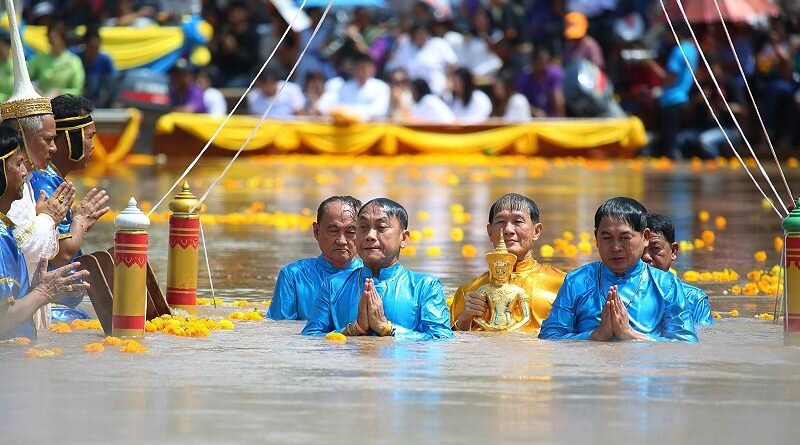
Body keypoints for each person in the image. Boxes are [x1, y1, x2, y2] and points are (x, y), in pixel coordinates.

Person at [2, 4, 76, 330]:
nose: (54, 148)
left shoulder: (30, 182)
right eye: (47, 140)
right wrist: (49, 219)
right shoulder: (11, 188)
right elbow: (22, 244)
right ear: (21, 136)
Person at [539, 197, 697, 342]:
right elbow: (550, 337)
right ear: (596, 238)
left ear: (646, 237)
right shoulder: (577, 281)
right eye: (607, 238)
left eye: (625, 238)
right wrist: (595, 335)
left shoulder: (666, 284)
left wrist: (631, 335)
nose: (615, 247)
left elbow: (685, 343)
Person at [302, 198, 452, 340]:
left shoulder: (425, 286)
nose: (370, 235)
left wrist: (387, 329)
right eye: (363, 227)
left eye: (381, 227)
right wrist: (354, 329)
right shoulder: (333, 285)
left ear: (404, 238)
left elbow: (440, 339)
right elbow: (311, 338)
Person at [0, 126, 89, 340]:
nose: (25, 172)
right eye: (19, 163)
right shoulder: (1, 236)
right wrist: (44, 292)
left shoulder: (5, 228)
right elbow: (2, 320)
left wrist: (37, 287)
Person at [29, 94, 111, 322]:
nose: (93, 145)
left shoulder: (54, 179)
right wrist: (81, 222)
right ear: (69, 137)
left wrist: (79, 223)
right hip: (49, 309)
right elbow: (61, 253)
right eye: (89, 137)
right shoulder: (43, 182)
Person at [450, 193, 565, 333]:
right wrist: (465, 319)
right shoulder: (468, 292)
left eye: (518, 222)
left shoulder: (562, 285)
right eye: (500, 222)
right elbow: (454, 346)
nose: (508, 230)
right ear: (489, 231)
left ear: (536, 231)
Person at [268, 196, 363, 321]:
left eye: (351, 232)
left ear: (363, 233)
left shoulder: (372, 276)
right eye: (333, 231)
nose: (341, 241)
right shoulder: (294, 275)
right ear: (316, 231)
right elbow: (280, 329)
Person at [642, 213, 713, 325]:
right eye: (640, 250)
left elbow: (703, 337)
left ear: (673, 251)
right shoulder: (618, 295)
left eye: (655, 248)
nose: (646, 257)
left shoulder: (694, 298)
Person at [317, 54, 390, 121]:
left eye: (366, 68)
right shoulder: (342, 86)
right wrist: (339, 112)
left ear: (373, 69)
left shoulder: (381, 87)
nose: (363, 71)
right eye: (360, 67)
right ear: (354, 69)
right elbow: (322, 106)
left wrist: (348, 113)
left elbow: (380, 111)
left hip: (370, 130)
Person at [28, 22, 85, 97]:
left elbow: (78, 90)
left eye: (55, 37)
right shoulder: (39, 59)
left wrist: (60, 93)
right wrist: (34, 90)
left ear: (63, 38)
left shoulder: (74, 61)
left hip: (66, 105)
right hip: (42, 104)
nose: (52, 41)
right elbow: (25, 78)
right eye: (50, 38)